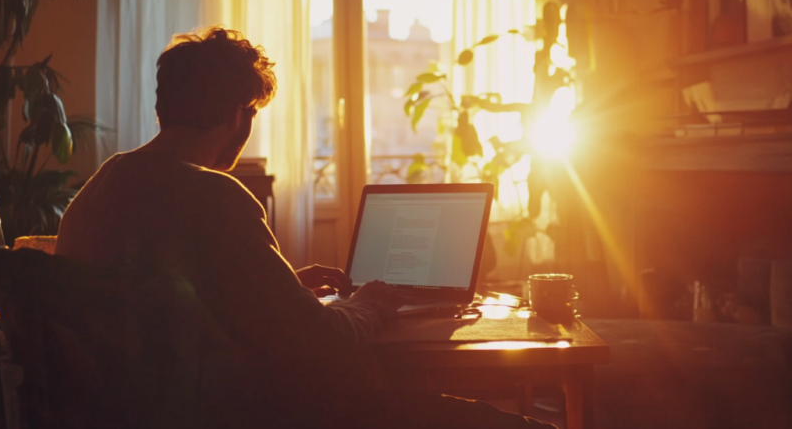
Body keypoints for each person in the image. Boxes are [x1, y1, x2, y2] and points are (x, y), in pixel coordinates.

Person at [56, 26, 556, 429]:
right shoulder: (216, 197)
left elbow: (163, 302)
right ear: (237, 114)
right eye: (251, 113)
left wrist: (281, 288)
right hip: (247, 412)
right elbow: (320, 346)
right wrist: (365, 304)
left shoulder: (98, 190)